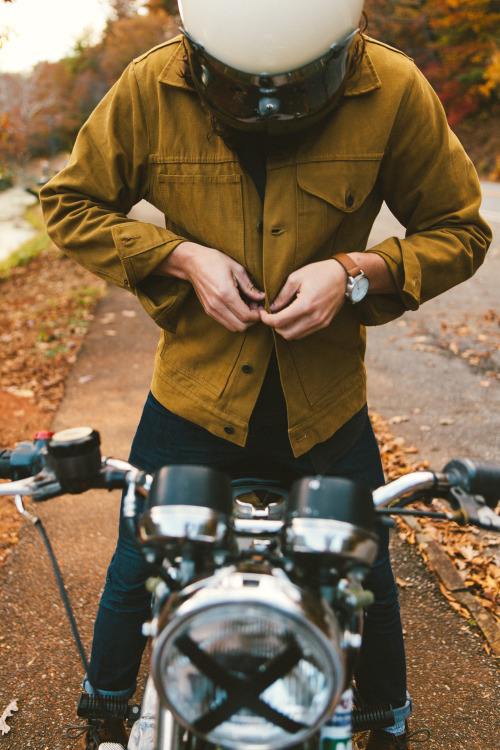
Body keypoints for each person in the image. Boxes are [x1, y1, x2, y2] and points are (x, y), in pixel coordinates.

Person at [40, 0, 491, 747]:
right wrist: (179, 257)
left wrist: (357, 272)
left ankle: (388, 725)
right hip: (192, 398)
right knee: (138, 561)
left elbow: (462, 231)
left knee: (367, 571)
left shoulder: (397, 88)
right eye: (239, 86)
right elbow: (70, 204)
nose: (267, 104)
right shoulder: (150, 86)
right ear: (198, 51)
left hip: (325, 406)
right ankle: (106, 715)